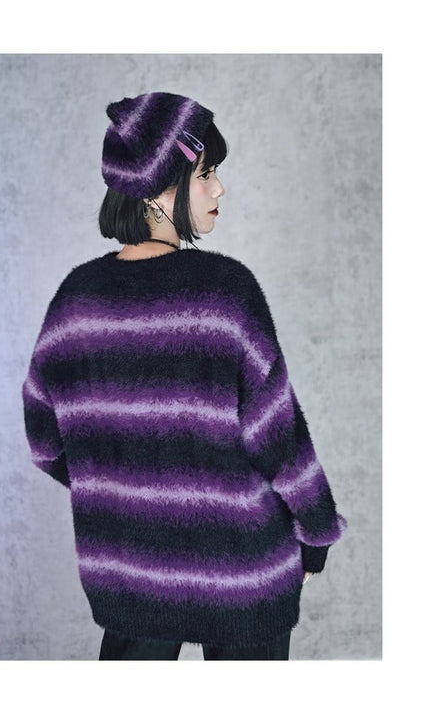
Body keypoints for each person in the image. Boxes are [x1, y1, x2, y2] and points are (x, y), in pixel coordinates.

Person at [22, 92, 347, 661]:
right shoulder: (224, 294)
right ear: (158, 188)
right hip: (244, 577)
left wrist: (127, 487)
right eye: (206, 174)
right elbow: (280, 439)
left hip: (131, 576)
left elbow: (46, 444)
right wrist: (317, 531)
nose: (219, 190)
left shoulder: (73, 305)